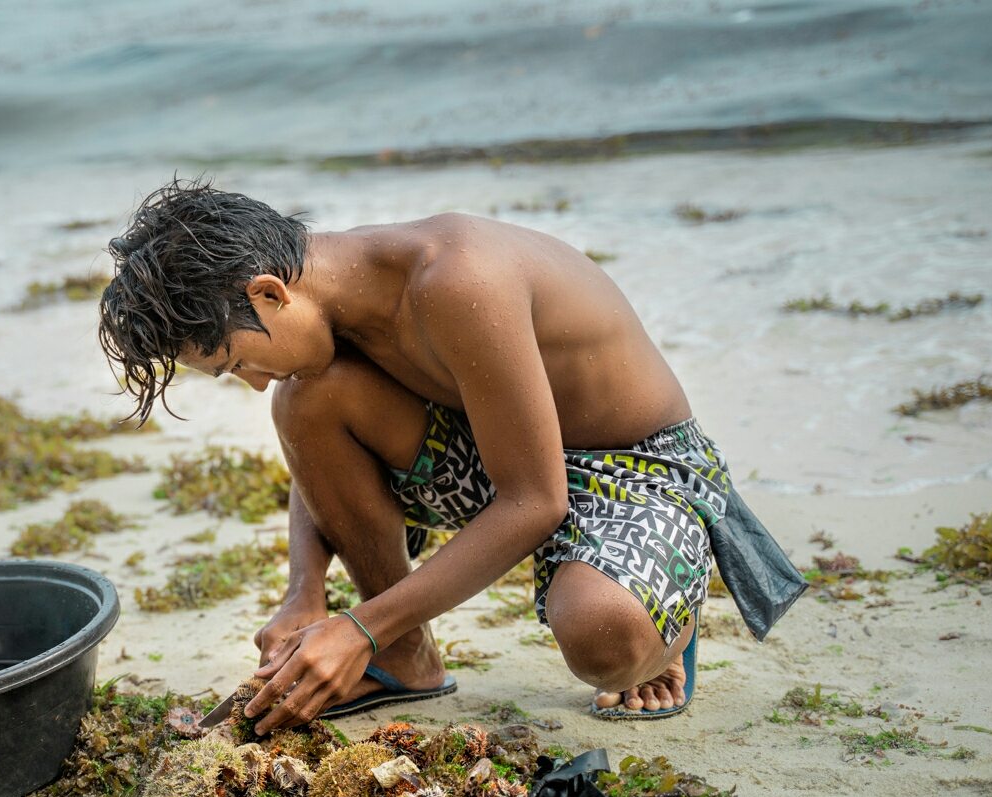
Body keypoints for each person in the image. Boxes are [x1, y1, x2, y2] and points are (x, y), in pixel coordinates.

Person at [97, 180, 803, 736]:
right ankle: (408, 660)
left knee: (601, 638)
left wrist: (361, 625)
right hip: (503, 458)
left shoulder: (455, 282)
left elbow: (537, 502)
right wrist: (304, 595)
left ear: (270, 294)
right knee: (305, 400)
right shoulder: (333, 304)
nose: (252, 381)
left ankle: (663, 621)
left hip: (639, 468)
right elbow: (318, 451)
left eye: (235, 363)